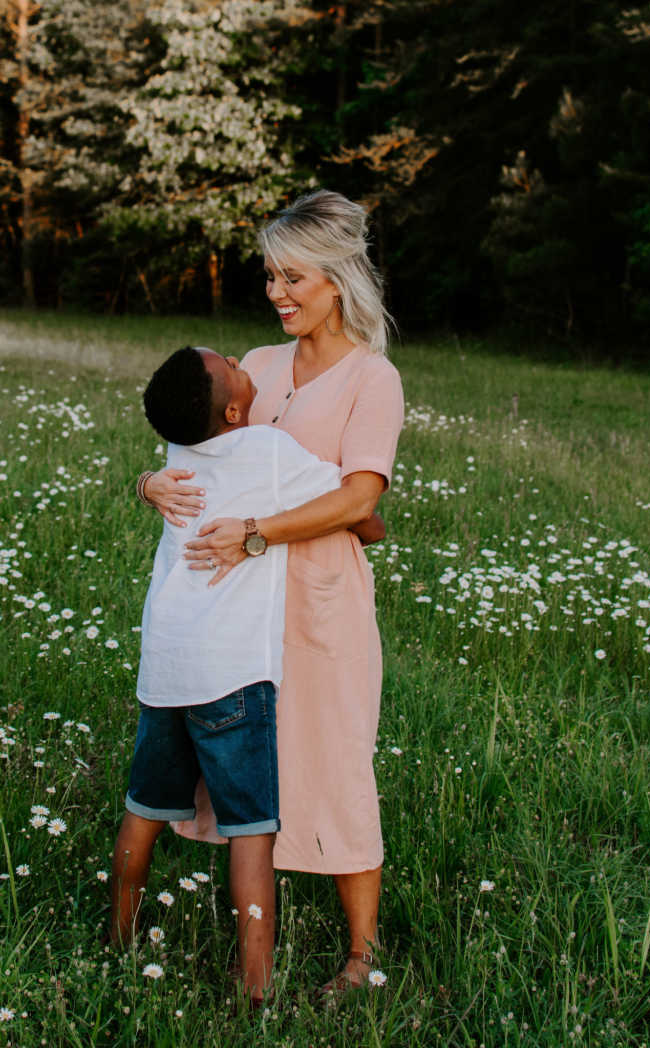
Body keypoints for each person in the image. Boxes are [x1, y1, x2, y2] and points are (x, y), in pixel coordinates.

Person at [141, 190, 404, 994]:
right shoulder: (255, 365)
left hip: (320, 601)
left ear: (336, 279)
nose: (277, 295)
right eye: (270, 278)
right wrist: (149, 480)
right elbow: (199, 452)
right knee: (252, 758)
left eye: (293, 279)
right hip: (240, 610)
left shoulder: (373, 378)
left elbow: (362, 500)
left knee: (334, 759)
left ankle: (360, 954)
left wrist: (259, 530)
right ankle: (253, 926)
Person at [113, 344, 342, 1004]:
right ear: (237, 409)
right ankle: (257, 987)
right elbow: (350, 503)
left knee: (144, 811)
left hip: (165, 666)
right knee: (251, 833)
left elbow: (168, 462)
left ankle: (119, 936)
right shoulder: (269, 451)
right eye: (234, 369)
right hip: (233, 673)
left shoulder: (179, 456)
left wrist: (143, 482)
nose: (245, 364)